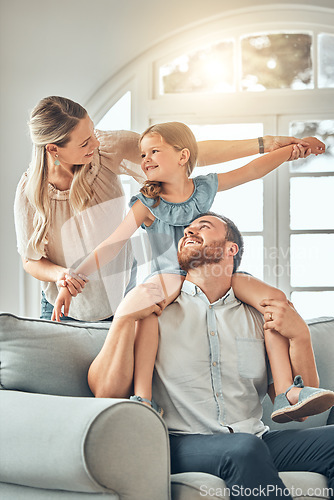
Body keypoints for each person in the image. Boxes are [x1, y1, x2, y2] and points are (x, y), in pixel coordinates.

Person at [54, 122, 328, 422]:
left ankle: (286, 392)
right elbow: (112, 244)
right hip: (168, 274)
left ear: (183, 156)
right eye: (142, 154)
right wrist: (71, 278)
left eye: (154, 151)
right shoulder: (148, 203)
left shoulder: (204, 188)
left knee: (271, 301)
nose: (144, 159)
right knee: (147, 311)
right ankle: (143, 397)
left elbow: (252, 170)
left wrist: (291, 150)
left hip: (207, 270)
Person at [88, 213, 334, 499]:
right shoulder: (155, 307)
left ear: (232, 249)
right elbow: (105, 393)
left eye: (202, 227)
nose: (189, 232)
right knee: (244, 449)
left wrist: (300, 335)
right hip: (180, 443)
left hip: (255, 439)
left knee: (254, 446)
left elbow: (297, 408)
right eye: (187, 231)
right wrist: (123, 318)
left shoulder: (258, 314)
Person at [14, 96, 323, 322]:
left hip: (120, 298)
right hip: (67, 306)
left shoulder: (106, 150)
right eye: (84, 142)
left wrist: (272, 145)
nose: (94, 143)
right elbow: (34, 260)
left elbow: (187, 154)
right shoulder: (32, 193)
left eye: (93, 132)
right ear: (53, 149)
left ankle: (290, 388)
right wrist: (67, 278)